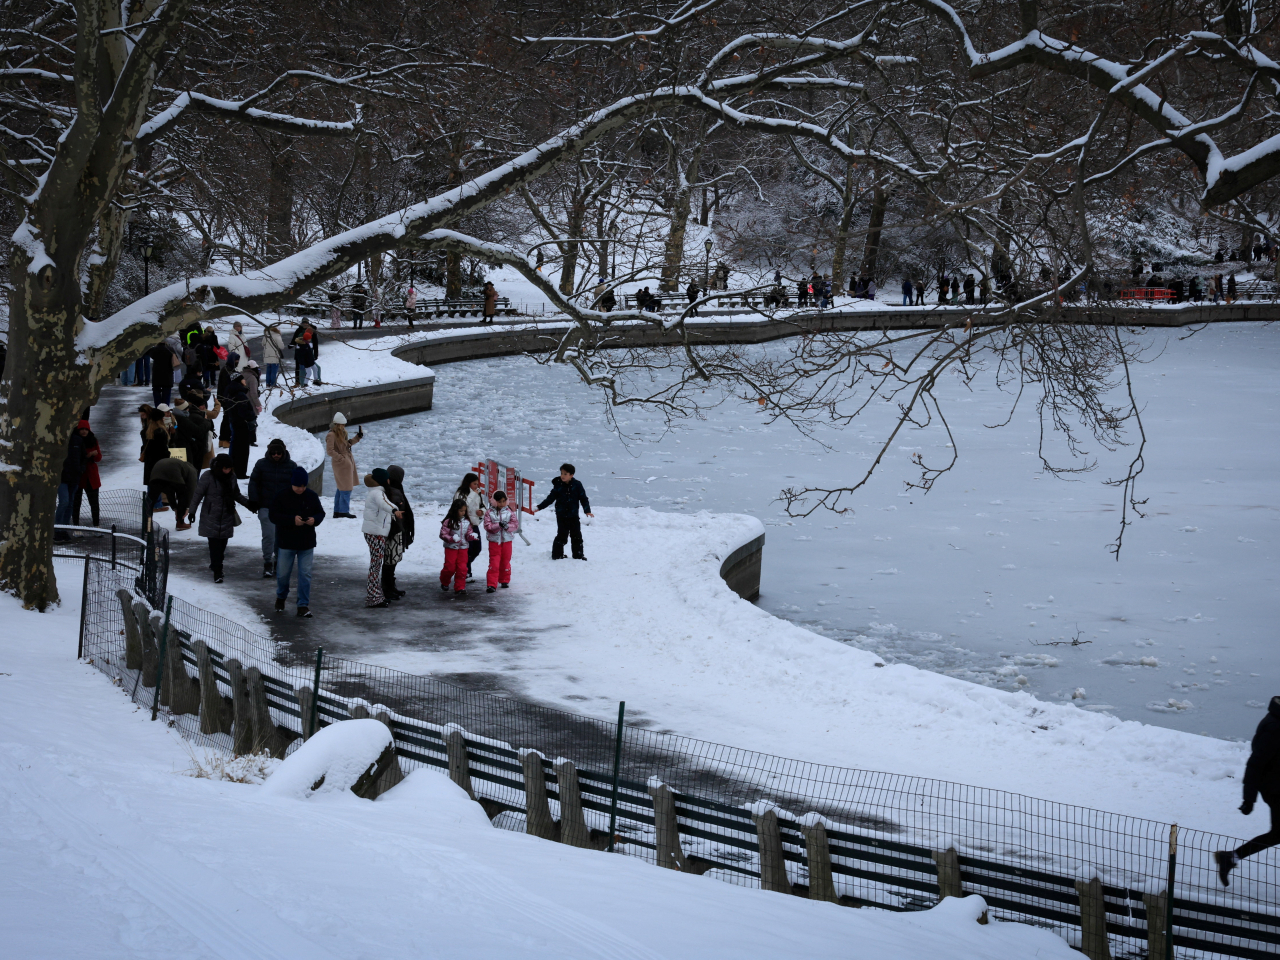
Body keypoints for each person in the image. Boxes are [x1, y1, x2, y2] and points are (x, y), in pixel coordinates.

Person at [1215, 696, 1280, 886]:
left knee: (1278, 834)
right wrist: (1249, 799)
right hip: (1275, 789)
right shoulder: (1274, 727)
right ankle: (1230, 857)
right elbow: (1255, 764)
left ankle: (1231, 857)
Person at [188, 453, 256, 583]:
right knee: (214, 545)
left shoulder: (232, 477)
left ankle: (216, 564)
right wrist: (192, 512)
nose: (228, 471)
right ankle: (218, 571)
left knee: (223, 544)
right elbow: (198, 494)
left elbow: (236, 494)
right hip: (211, 515)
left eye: (230, 468)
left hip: (227, 514)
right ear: (219, 467)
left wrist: (249, 505)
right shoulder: (207, 476)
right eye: (225, 468)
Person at [270, 465, 325, 617]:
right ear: (292, 483)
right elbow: (273, 515)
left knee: (305, 574)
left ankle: (303, 605)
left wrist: (315, 519)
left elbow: (320, 513)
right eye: (298, 486)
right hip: (286, 542)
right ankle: (281, 596)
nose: (301, 489)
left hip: (306, 542)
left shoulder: (311, 496)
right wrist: (292, 520)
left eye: (303, 486)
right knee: (282, 574)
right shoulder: (281, 496)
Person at [248, 439, 296, 578]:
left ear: (283, 452)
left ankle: (278, 563)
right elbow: (253, 482)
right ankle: (267, 562)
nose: (276, 455)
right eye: (273, 453)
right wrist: (254, 500)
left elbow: (297, 486)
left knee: (280, 537)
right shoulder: (261, 464)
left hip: (284, 509)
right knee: (269, 536)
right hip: (266, 506)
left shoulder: (291, 466)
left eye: (278, 453)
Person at [535, 462, 594, 560]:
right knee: (562, 535)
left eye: (565, 474)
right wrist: (539, 507)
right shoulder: (558, 485)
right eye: (561, 473)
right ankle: (557, 555)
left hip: (573, 515)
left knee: (576, 536)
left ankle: (578, 555)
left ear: (571, 475)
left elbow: (583, 498)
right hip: (561, 515)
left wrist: (587, 510)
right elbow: (550, 498)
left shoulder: (577, 485)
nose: (562, 476)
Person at [362, 470, 401, 607]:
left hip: (373, 531)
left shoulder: (375, 491)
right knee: (375, 565)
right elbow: (385, 503)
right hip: (375, 533)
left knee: (376, 564)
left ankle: (375, 595)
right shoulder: (378, 493)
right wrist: (395, 510)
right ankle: (373, 598)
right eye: (387, 479)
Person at [382, 465, 414, 600]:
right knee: (390, 561)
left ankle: (390, 586)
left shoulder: (390, 490)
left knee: (391, 560)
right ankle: (387, 588)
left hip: (393, 531)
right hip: (394, 532)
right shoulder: (394, 492)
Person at [438, 498, 477, 595]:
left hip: (463, 548)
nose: (463, 513)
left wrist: (471, 536)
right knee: (449, 567)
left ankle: (460, 587)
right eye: (461, 510)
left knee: (462, 568)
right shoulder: (449, 522)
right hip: (451, 548)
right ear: (455, 510)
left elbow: (468, 534)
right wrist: (452, 539)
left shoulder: (467, 522)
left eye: (464, 511)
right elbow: (443, 534)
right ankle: (445, 581)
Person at [325, 413, 361, 517]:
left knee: (341, 487)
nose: (344, 426)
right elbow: (330, 451)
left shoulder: (341, 433)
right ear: (338, 424)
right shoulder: (331, 435)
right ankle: (343, 511)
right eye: (342, 424)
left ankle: (337, 511)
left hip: (345, 462)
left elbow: (346, 445)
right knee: (346, 488)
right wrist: (341, 459)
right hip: (341, 464)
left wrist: (357, 438)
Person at [149, 456, 198, 531]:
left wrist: (175, 508)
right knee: (182, 495)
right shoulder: (192, 471)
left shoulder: (182, 466)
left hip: (156, 470)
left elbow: (170, 492)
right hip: (172, 470)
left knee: (150, 501)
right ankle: (180, 522)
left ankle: (147, 526)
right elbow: (191, 491)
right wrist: (187, 507)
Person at [55, 424, 86, 539]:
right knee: (64, 502)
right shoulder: (59, 439)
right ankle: (57, 529)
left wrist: (81, 469)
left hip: (74, 477)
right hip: (62, 477)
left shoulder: (78, 440)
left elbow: (83, 457)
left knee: (70, 503)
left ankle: (63, 529)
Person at [483, 490, 517, 593]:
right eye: (499, 502)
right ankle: (491, 584)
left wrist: (507, 526)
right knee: (494, 562)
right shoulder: (489, 513)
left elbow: (515, 525)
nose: (501, 504)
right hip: (494, 542)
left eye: (503, 501)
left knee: (505, 561)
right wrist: (498, 525)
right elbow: (488, 527)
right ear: (494, 502)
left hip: (507, 541)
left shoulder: (509, 512)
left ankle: (504, 579)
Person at [457, 472, 486, 581]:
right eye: (474, 484)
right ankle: (466, 572)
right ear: (468, 483)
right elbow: (462, 505)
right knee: (466, 549)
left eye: (477, 484)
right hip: (463, 525)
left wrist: (481, 512)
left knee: (477, 549)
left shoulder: (477, 493)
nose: (476, 486)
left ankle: (464, 565)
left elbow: (483, 506)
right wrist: (473, 494)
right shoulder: (460, 493)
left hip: (474, 524)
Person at [73, 420, 102, 528]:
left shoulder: (93, 440)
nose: (84, 431)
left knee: (94, 503)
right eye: (82, 429)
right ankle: (76, 526)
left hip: (91, 476)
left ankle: (96, 525)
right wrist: (88, 455)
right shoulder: (74, 441)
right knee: (76, 503)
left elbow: (99, 457)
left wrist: (94, 455)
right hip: (78, 475)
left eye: (86, 429)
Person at [140, 407, 171, 501]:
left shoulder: (146, 431)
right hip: (159, 462)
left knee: (152, 482)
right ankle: (156, 504)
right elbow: (163, 449)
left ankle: (152, 503)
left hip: (150, 461)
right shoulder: (161, 432)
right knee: (158, 483)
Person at [262, 324, 284, 388]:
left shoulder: (266, 336)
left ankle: (267, 383)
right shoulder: (277, 336)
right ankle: (273, 383)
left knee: (268, 370)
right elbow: (281, 346)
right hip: (274, 355)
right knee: (274, 370)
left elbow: (263, 344)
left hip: (267, 355)